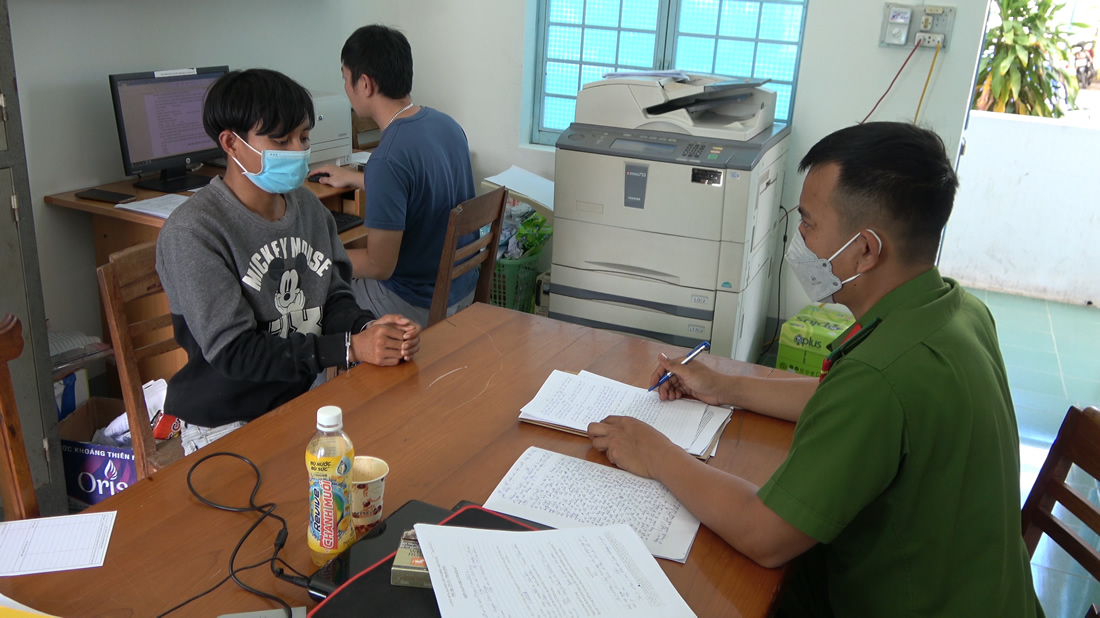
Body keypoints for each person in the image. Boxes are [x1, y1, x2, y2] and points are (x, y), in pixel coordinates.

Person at [587, 122, 1043, 616]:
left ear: (865, 250)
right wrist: (722, 386)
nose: (800, 237)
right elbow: (850, 400)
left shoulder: (878, 378)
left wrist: (654, 452)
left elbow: (763, 534)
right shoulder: (956, 310)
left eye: (809, 222)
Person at [156, 69, 420, 455]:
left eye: (304, 137)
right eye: (281, 141)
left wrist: (369, 328)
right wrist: (349, 348)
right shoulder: (193, 232)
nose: (298, 151)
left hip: (298, 398)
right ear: (231, 143)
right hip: (226, 421)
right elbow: (235, 352)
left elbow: (333, 296)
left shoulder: (307, 207)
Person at [313, 25, 478, 328]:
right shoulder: (447, 125)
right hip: (463, 289)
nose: (346, 89)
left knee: (321, 302)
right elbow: (423, 186)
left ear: (365, 84)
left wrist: (319, 256)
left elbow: (379, 266)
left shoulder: (388, 157)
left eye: (345, 79)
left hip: (415, 303)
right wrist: (356, 178)